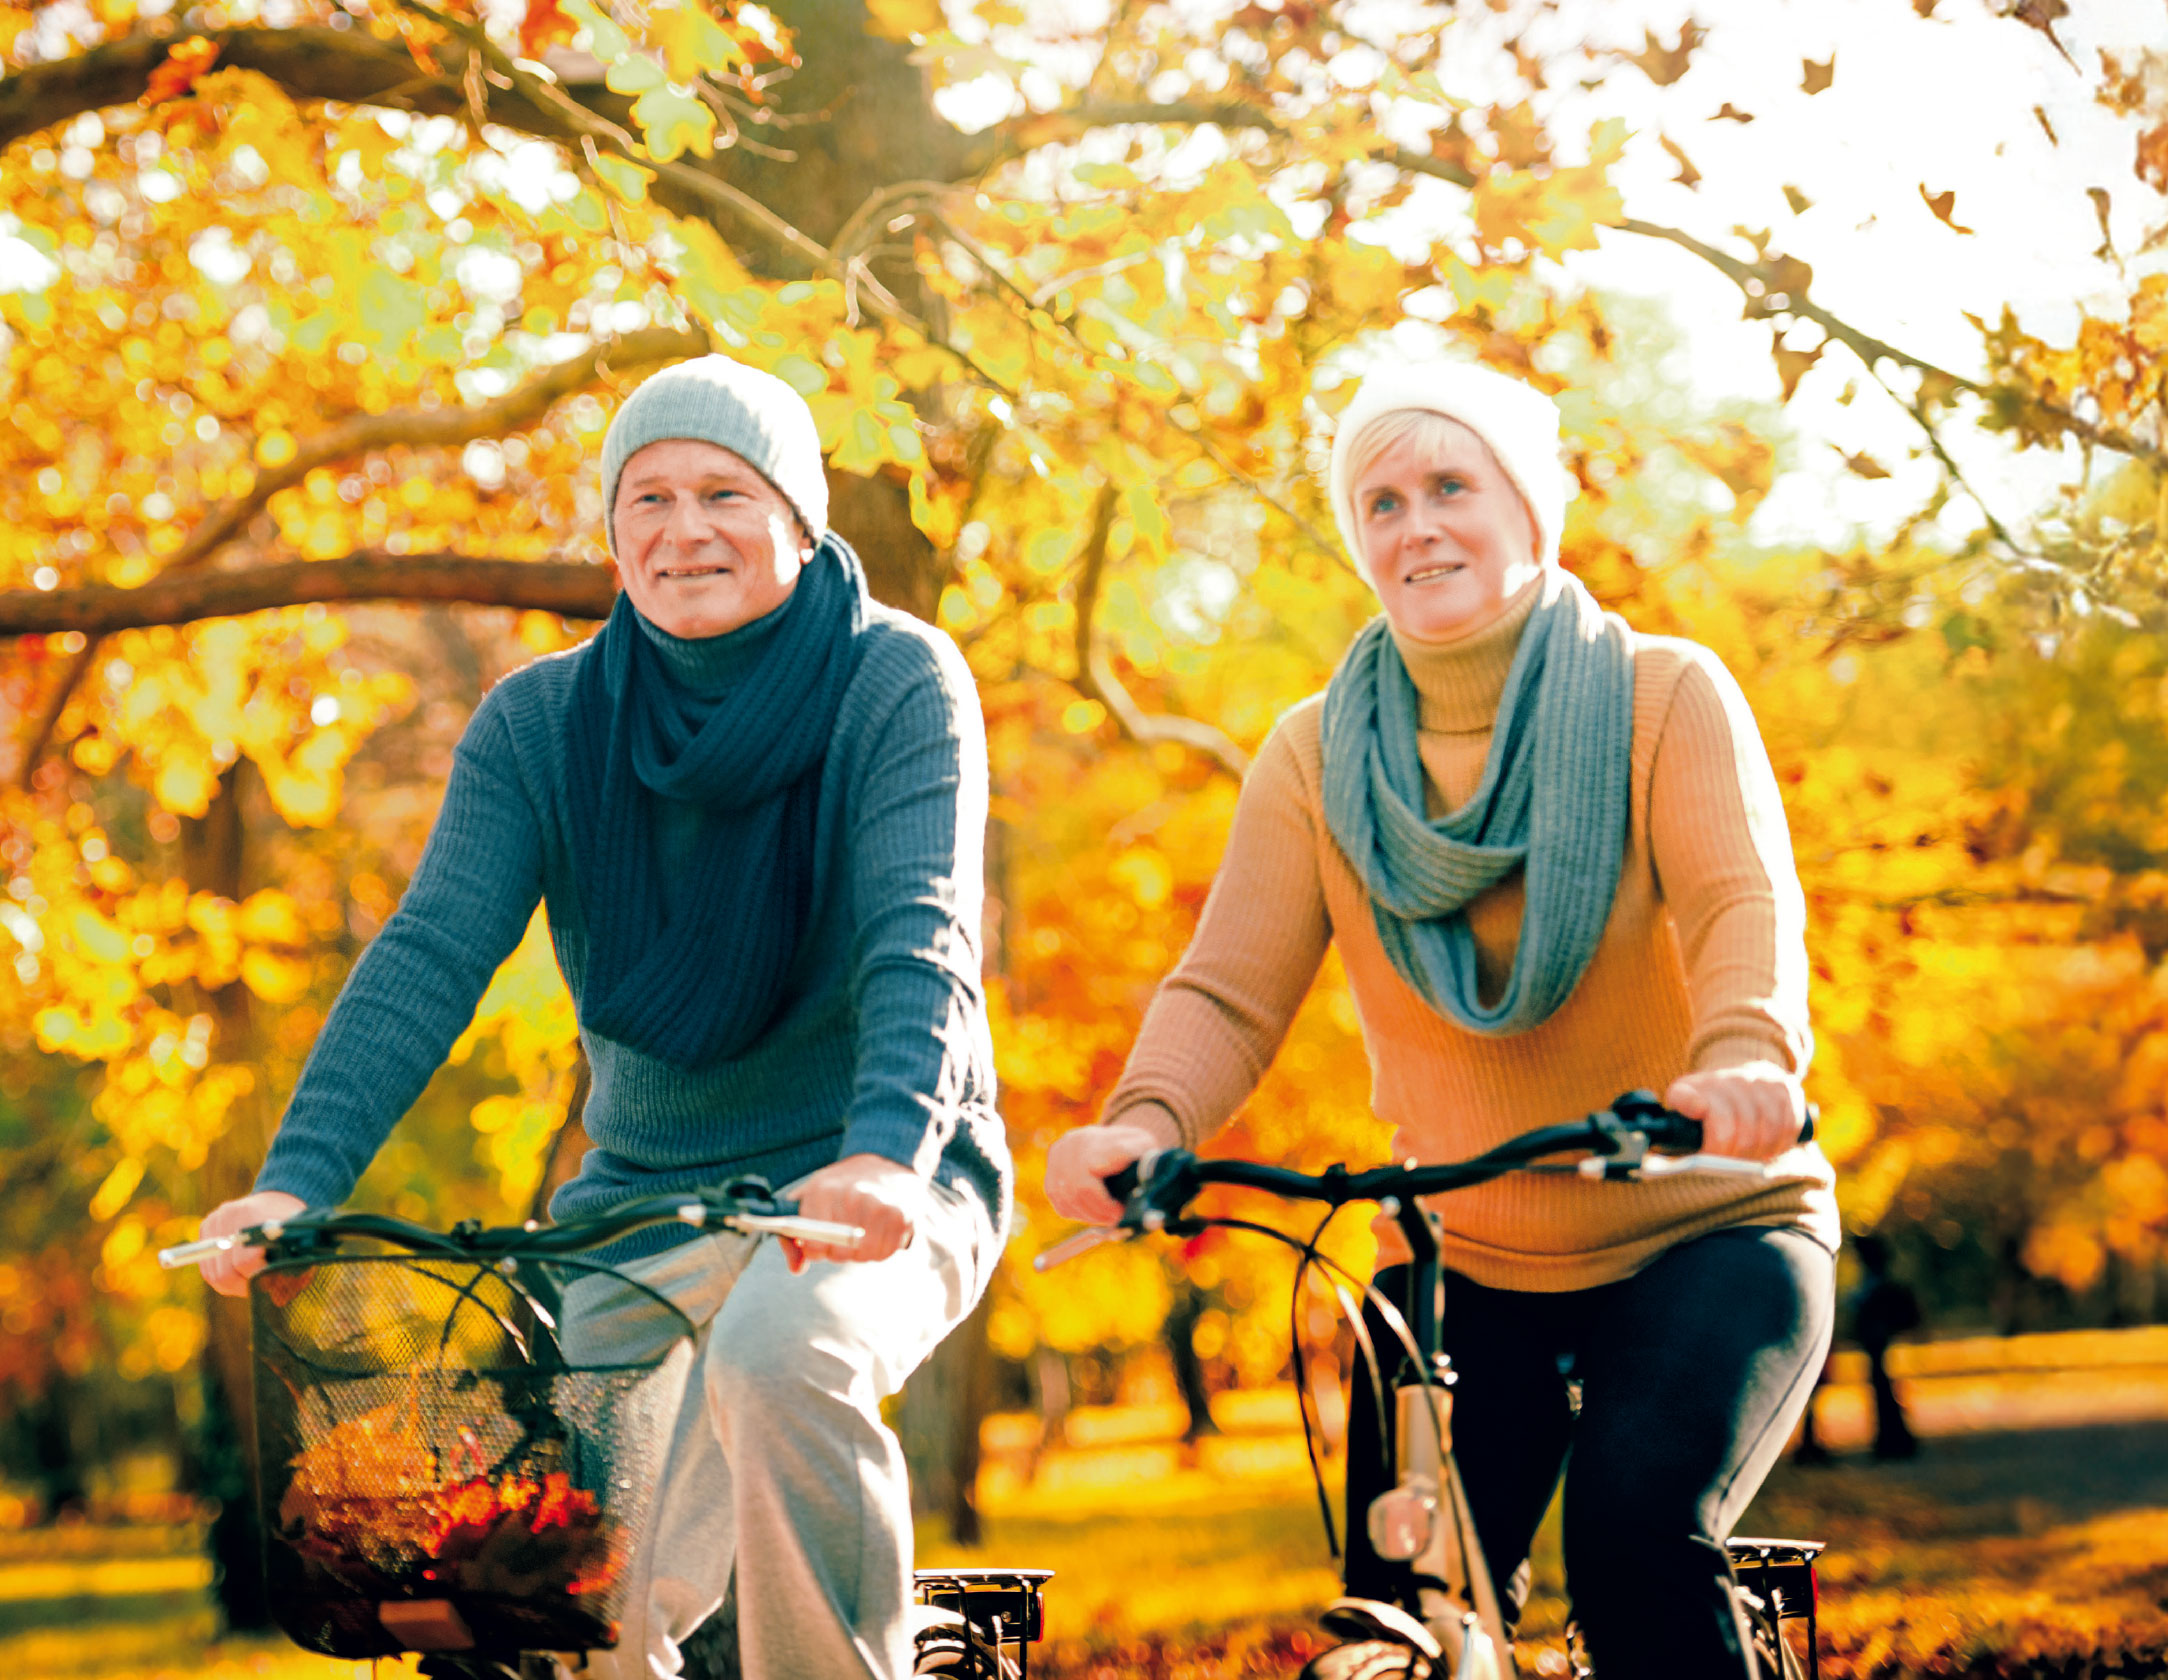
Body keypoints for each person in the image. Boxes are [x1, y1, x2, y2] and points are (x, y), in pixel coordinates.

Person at [196, 356, 1008, 1680]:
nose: (686, 530)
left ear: (800, 518)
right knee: (571, 1609)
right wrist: (297, 1182)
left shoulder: (895, 679)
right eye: (650, 498)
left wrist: (883, 1155)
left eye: (725, 495)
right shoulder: (542, 724)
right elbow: (429, 954)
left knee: (779, 1359)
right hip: (642, 1209)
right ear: (615, 533)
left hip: (869, 1176)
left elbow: (921, 935)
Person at [1045, 359, 1840, 1676]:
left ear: (1528, 508)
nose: (1417, 526)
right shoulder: (1314, 757)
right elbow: (1230, 988)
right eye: (1383, 502)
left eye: (1451, 488)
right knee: (1404, 1597)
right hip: (1463, 1260)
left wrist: (1746, 1058)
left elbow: (1737, 905)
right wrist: (1143, 1123)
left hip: (1706, 1226)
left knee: (1637, 1538)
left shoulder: (1666, 696)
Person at [1850, 1233, 1922, 1458]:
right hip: (1877, 1344)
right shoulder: (1875, 1281)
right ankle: (1892, 1440)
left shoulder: (1873, 1284)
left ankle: (1892, 1441)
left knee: (1882, 1389)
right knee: (1882, 1389)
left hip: (1877, 1343)